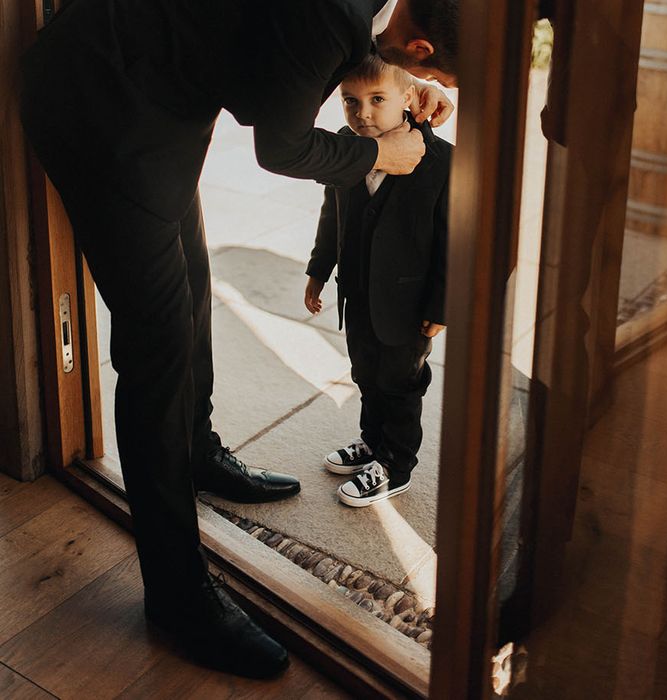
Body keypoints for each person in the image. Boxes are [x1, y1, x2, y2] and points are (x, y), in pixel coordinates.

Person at [20, 0, 458, 680]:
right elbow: (281, 145)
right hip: (99, 103)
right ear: (423, 48)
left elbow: (279, 65)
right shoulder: (331, 14)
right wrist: (377, 151)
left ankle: (195, 453)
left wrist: (401, 94)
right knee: (156, 351)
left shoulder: (361, 11)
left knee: (192, 286)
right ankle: (177, 595)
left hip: (157, 96)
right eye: (445, 77)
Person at [304, 55, 449, 508]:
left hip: (409, 305)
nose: (362, 112)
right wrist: (318, 270)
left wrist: (442, 307)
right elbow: (334, 217)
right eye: (350, 101)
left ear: (408, 98)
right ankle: (373, 443)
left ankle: (397, 463)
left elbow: (453, 241)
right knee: (366, 372)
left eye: (377, 99)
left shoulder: (442, 162)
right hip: (359, 295)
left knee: (401, 382)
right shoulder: (347, 149)